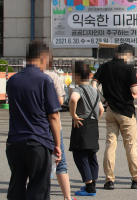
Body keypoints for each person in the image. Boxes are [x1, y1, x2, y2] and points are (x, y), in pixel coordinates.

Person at [92, 43, 137, 189]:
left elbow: (93, 85)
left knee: (110, 145)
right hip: (126, 112)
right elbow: (134, 90)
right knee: (131, 146)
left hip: (110, 110)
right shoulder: (128, 68)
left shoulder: (104, 67)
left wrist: (104, 100)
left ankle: (109, 180)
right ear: (127, 54)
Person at [6, 41, 62, 200]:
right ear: (43, 57)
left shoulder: (12, 80)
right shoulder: (45, 80)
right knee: (39, 189)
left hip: (15, 142)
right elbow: (53, 115)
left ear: (26, 57)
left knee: (16, 186)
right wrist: (57, 144)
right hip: (38, 141)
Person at [69, 61, 104, 197]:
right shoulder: (94, 90)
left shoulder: (78, 89)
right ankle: (93, 183)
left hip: (81, 124)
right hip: (93, 124)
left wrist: (74, 115)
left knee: (80, 154)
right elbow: (101, 108)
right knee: (91, 155)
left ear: (77, 75)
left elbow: (73, 99)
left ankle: (89, 186)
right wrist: (97, 119)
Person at [44, 53, 73, 200]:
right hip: (53, 123)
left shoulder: (27, 75)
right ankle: (67, 197)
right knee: (60, 160)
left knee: (39, 161)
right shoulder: (53, 76)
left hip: (36, 124)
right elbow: (60, 101)